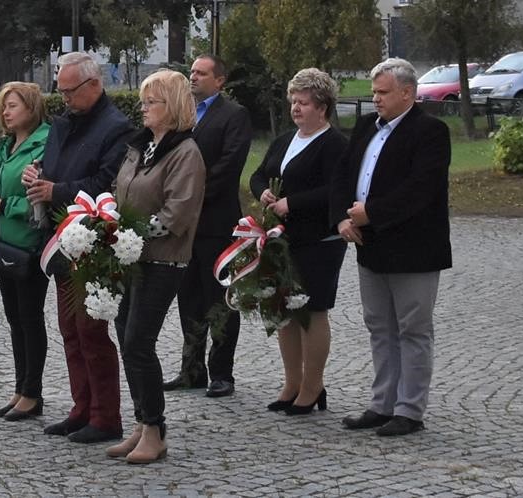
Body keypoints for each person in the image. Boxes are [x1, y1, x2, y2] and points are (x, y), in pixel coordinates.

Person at [330, 57, 452, 436]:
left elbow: (420, 188)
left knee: (413, 329)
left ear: (407, 93)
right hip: (370, 246)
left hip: (414, 249)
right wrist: (342, 218)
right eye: (374, 92)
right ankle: (382, 403)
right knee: (379, 327)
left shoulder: (430, 131)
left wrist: (371, 213)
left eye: (383, 92)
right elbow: (342, 176)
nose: (376, 99)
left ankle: (409, 410)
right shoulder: (367, 126)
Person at [22, 52, 134, 443]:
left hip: (92, 242)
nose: (64, 98)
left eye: (70, 91)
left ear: (94, 84)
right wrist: (39, 174)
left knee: (91, 331)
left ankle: (106, 416)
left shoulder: (117, 128)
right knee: (70, 329)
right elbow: (57, 168)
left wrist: (57, 190)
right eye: (61, 91)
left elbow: (107, 183)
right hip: (61, 241)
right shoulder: (62, 123)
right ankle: (81, 408)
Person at [106, 69, 205, 464]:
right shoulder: (141, 146)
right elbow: (120, 189)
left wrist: (128, 232)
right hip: (130, 255)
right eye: (143, 101)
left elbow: (177, 212)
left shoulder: (186, 152)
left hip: (163, 258)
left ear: (173, 106)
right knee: (124, 334)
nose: (143, 108)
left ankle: (155, 429)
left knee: (138, 342)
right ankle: (141, 420)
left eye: (152, 102)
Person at [250, 68, 348, 415]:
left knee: (311, 310)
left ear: (322, 107)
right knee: (284, 311)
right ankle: (291, 383)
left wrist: (293, 203)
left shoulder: (335, 144)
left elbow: (336, 189)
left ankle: (313, 385)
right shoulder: (284, 140)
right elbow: (259, 174)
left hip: (319, 240)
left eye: (303, 102)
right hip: (283, 240)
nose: (295, 108)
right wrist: (262, 191)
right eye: (293, 101)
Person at [163, 54, 252, 398]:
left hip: (215, 222)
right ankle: (192, 370)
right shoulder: (182, 114)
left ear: (220, 80)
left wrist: (189, 195)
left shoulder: (234, 115)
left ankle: (222, 372)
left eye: (201, 73)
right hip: (185, 227)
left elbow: (230, 165)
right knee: (188, 298)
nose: (193, 77)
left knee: (219, 299)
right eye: (191, 72)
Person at [0, 82, 51, 422]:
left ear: (31, 108)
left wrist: (5, 205)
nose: (5, 112)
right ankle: (20, 389)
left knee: (30, 319)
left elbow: (41, 200)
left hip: (29, 247)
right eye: (4, 106)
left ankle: (33, 393)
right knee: (14, 320)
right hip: (3, 246)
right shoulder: (1, 147)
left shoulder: (44, 145)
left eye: (13, 106)